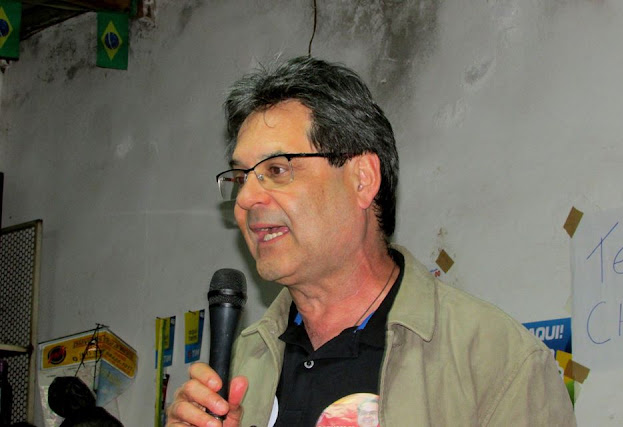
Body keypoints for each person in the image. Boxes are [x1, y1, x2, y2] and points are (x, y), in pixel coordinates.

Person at [166, 56, 576, 426]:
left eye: (276, 170)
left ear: (362, 179)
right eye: (241, 177)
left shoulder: (494, 362)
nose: (246, 199)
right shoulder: (241, 365)